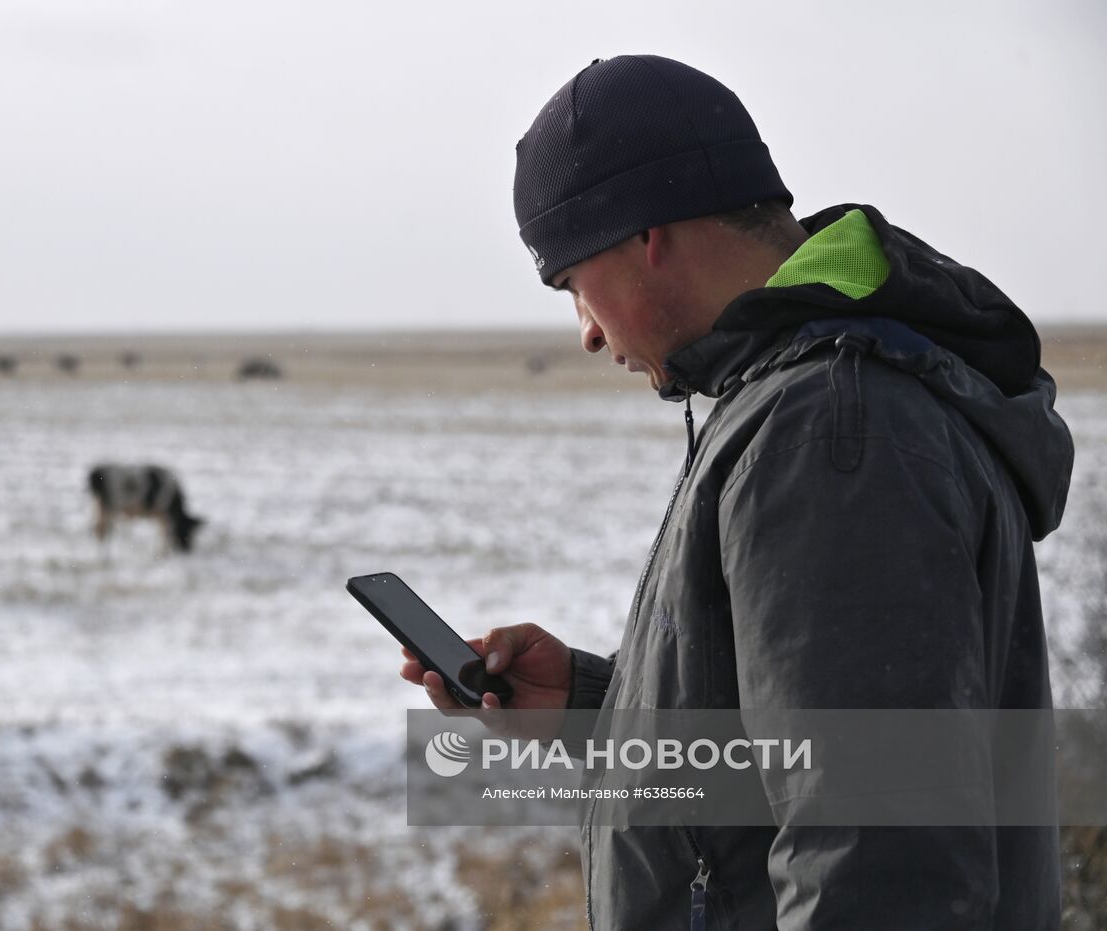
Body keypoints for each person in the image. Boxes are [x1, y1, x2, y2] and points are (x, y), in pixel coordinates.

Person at [400, 55, 1072, 929]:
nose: (588, 336)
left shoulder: (833, 432)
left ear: (642, 236)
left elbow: (875, 860)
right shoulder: (808, 401)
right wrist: (590, 709)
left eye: (572, 285)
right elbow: (787, 767)